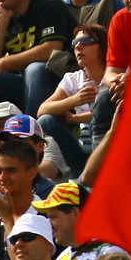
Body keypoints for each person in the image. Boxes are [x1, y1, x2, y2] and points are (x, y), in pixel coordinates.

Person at [36, 24, 107, 179]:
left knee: (105, 102)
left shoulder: (116, 74)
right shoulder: (73, 78)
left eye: (86, 41)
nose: (79, 47)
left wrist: (74, 118)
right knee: (46, 120)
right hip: (85, 147)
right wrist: (74, 100)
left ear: (102, 46)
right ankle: (81, 174)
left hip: (111, 143)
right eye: (75, 43)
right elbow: (42, 110)